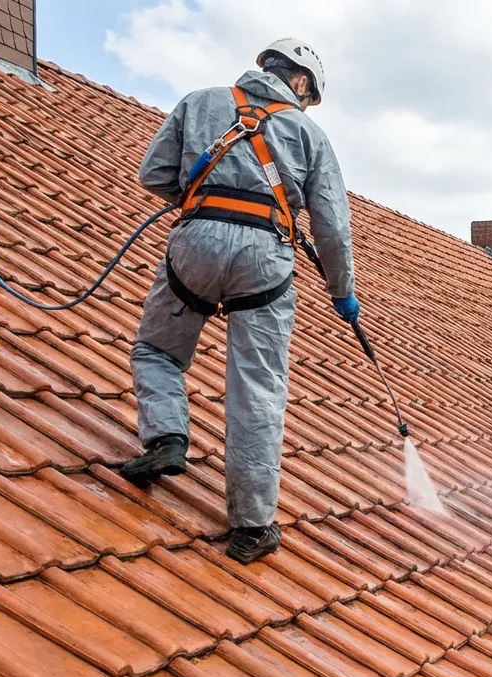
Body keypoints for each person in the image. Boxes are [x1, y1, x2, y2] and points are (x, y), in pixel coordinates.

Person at [120, 39, 358, 564]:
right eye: (309, 97)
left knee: (158, 350)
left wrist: (207, 202)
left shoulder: (199, 102)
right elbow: (333, 228)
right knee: (258, 388)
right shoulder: (309, 135)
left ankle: (166, 437)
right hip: (265, 258)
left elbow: (153, 174)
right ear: (301, 82)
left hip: (195, 244)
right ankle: (252, 526)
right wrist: (342, 292)